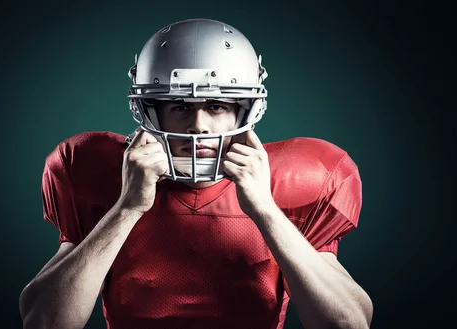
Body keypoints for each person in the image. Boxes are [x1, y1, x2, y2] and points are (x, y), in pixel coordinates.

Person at [19, 18, 373, 329]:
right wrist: (126, 208)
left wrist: (265, 209)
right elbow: (44, 322)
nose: (199, 126)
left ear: (246, 110)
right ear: (149, 111)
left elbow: (347, 324)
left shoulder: (302, 177)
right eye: (178, 107)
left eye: (217, 106)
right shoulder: (94, 168)